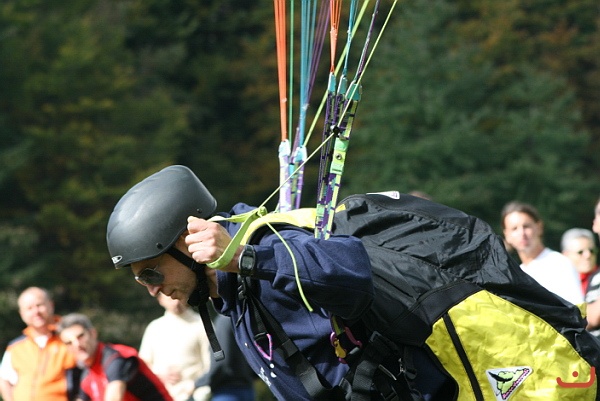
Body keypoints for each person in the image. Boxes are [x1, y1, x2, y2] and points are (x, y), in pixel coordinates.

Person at [105, 165, 449, 400]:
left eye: (151, 273)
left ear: (186, 242)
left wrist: (246, 258)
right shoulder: (232, 295)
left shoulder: (264, 246)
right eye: (140, 280)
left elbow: (355, 272)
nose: (152, 289)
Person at [56, 313, 173, 401]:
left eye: (80, 336)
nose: (77, 345)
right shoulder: (87, 375)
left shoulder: (116, 358)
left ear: (93, 333)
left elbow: (114, 396)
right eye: (69, 343)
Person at [0, 287, 80, 401]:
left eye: (39, 305)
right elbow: (4, 379)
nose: (36, 312)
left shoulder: (69, 338)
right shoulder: (15, 346)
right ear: (22, 314)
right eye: (29, 308)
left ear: (51, 305)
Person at [501, 200, 583, 305]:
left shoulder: (559, 264)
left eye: (526, 226)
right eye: (514, 229)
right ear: (507, 235)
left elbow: (577, 309)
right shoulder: (516, 273)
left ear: (539, 227)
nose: (522, 233)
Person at [139, 292, 211, 401]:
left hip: (194, 395)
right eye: (170, 298)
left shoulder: (202, 324)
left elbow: (211, 364)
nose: (176, 302)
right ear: (160, 300)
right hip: (160, 395)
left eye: (178, 297)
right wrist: (159, 375)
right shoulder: (154, 328)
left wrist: (197, 385)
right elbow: (144, 364)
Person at [194, 314, 255, 401]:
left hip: (227, 392)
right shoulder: (242, 315)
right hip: (247, 389)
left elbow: (221, 362)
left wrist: (198, 383)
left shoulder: (224, 320)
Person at [561, 228, 598, 294]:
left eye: (591, 251)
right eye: (580, 252)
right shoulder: (557, 282)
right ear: (566, 255)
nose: (588, 255)